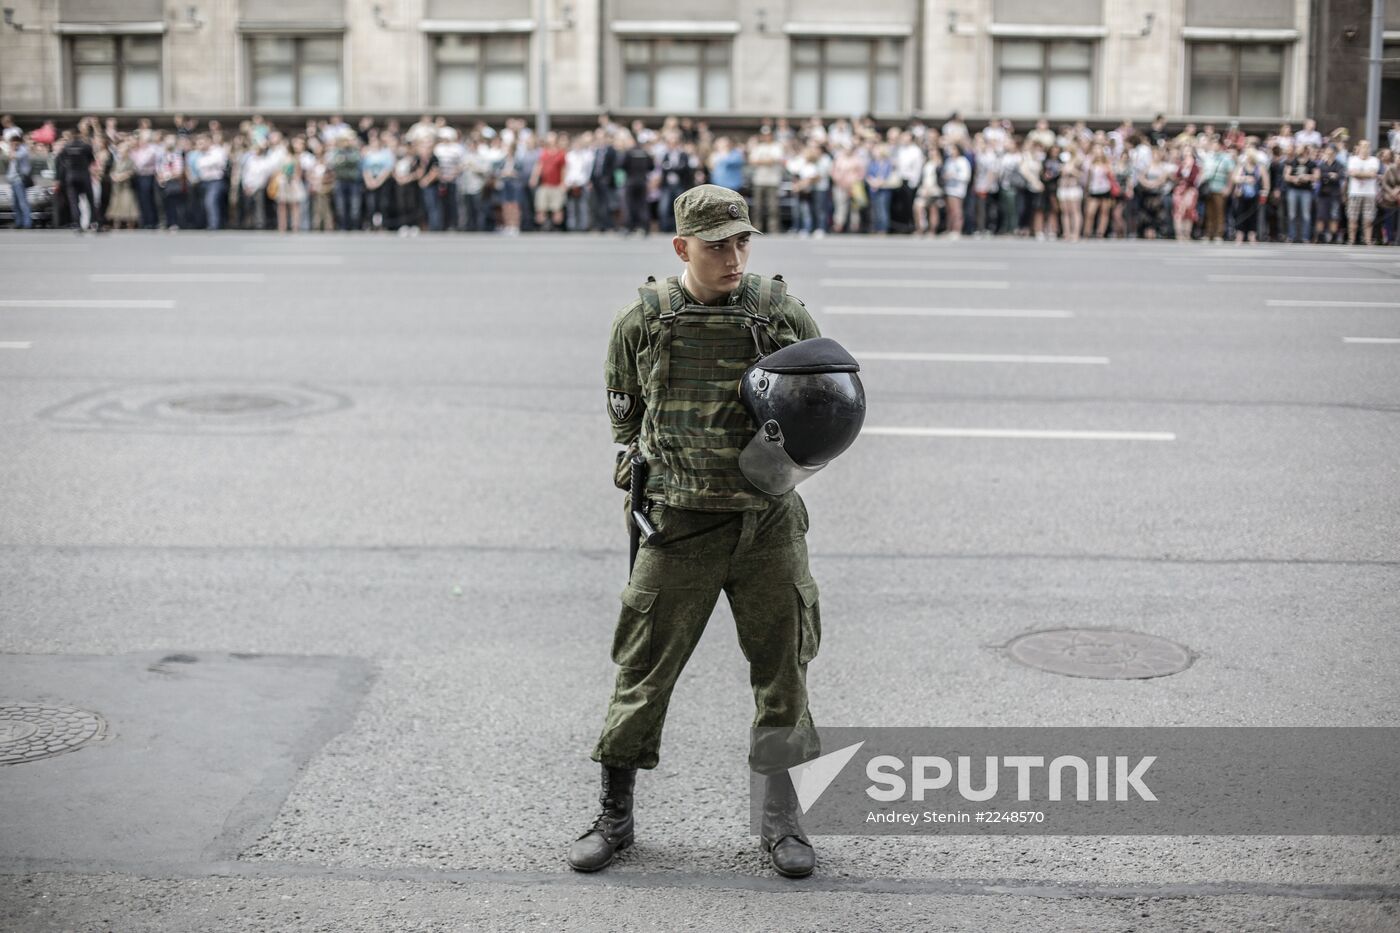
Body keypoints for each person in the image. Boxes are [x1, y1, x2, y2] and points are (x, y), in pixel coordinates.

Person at [571, 184, 841, 881]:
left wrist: (786, 462)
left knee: (784, 675)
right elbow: (625, 416)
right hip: (679, 525)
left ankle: (781, 819)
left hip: (765, 524)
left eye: (742, 241)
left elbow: (825, 388)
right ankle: (615, 814)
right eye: (718, 243)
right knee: (643, 671)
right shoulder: (644, 318)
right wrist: (643, 476)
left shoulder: (774, 309)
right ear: (682, 246)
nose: (733, 255)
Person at [1344, 139, 1379, 246]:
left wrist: (1359, 173)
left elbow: (1373, 174)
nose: (1365, 149)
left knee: (1368, 218)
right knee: (1352, 217)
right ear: (1358, 147)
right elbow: (1352, 173)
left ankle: (1367, 240)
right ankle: (1352, 240)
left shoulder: (1374, 160)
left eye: (1367, 146)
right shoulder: (1352, 159)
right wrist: (1366, 174)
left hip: (1369, 193)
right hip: (1355, 192)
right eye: (1363, 146)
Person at [5, 134, 33, 229]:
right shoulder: (16, 150)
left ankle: (27, 223)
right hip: (13, 179)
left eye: (14, 143)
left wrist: (12, 148)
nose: (12, 145)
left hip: (19, 180)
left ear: (18, 142)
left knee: (22, 202)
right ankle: (19, 222)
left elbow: (13, 157)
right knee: (15, 204)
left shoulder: (22, 150)